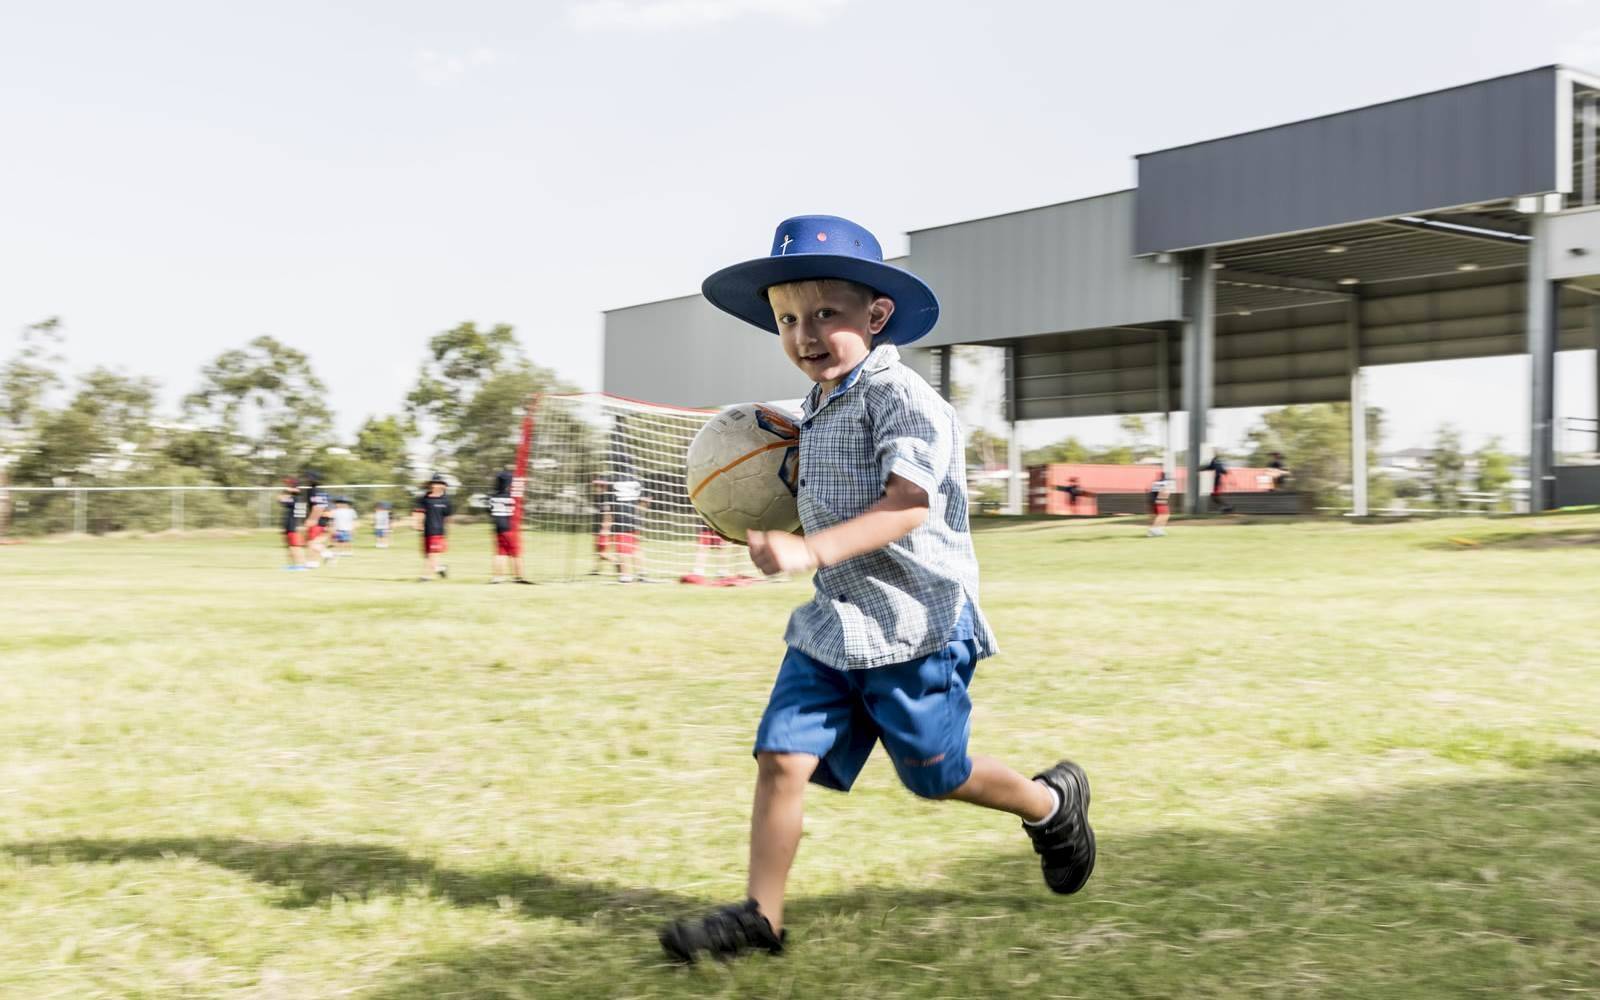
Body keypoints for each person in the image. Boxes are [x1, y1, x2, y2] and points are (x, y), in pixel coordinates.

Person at [656, 215, 1094, 963]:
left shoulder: (907, 401)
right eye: (789, 319)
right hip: (835, 624)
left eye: (826, 313)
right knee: (780, 757)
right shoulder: (815, 407)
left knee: (936, 775)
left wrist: (808, 548)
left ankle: (1052, 805)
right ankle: (762, 916)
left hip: (916, 624)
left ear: (876, 315)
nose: (805, 334)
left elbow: (908, 503)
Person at [599, 469, 644, 584]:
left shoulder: (612, 481)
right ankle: (641, 574)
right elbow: (644, 501)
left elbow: (608, 508)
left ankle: (625, 575)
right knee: (635, 548)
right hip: (634, 518)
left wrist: (606, 527)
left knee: (622, 549)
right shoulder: (637, 479)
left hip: (620, 519)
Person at [488, 470, 532, 584]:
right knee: (516, 553)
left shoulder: (492, 496)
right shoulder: (513, 497)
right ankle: (519, 577)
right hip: (509, 529)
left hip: (497, 528)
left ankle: (497, 578)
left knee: (500, 553)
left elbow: (490, 511)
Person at [413, 473, 453, 581]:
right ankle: (440, 568)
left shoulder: (446, 500)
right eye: (434, 483)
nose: (436, 486)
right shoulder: (424, 499)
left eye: (439, 484)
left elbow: (447, 518)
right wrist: (417, 523)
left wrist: (446, 533)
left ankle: (426, 576)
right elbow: (418, 512)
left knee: (432, 554)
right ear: (431, 485)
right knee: (427, 555)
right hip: (427, 531)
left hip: (438, 532)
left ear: (443, 486)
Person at [304, 473, 331, 568]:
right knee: (314, 542)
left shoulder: (313, 491)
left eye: (308, 477)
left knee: (311, 542)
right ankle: (314, 562)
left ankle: (326, 554)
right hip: (322, 520)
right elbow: (326, 507)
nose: (306, 479)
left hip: (317, 520)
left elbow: (317, 507)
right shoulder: (321, 491)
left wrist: (312, 519)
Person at [279, 477, 307, 570]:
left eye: (288, 484)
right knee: (291, 546)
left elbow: (280, 499)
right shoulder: (294, 497)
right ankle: (295, 564)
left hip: (292, 525)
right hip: (289, 525)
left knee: (294, 546)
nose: (286, 486)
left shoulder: (296, 497)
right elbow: (281, 500)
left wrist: (285, 491)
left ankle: (300, 565)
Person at [1148, 469, 1174, 537]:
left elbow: (1151, 493)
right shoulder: (1163, 483)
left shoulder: (1156, 483)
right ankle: (1155, 529)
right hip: (1160, 501)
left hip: (1154, 501)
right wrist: (1162, 500)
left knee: (1162, 515)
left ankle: (1156, 530)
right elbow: (1163, 492)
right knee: (1164, 515)